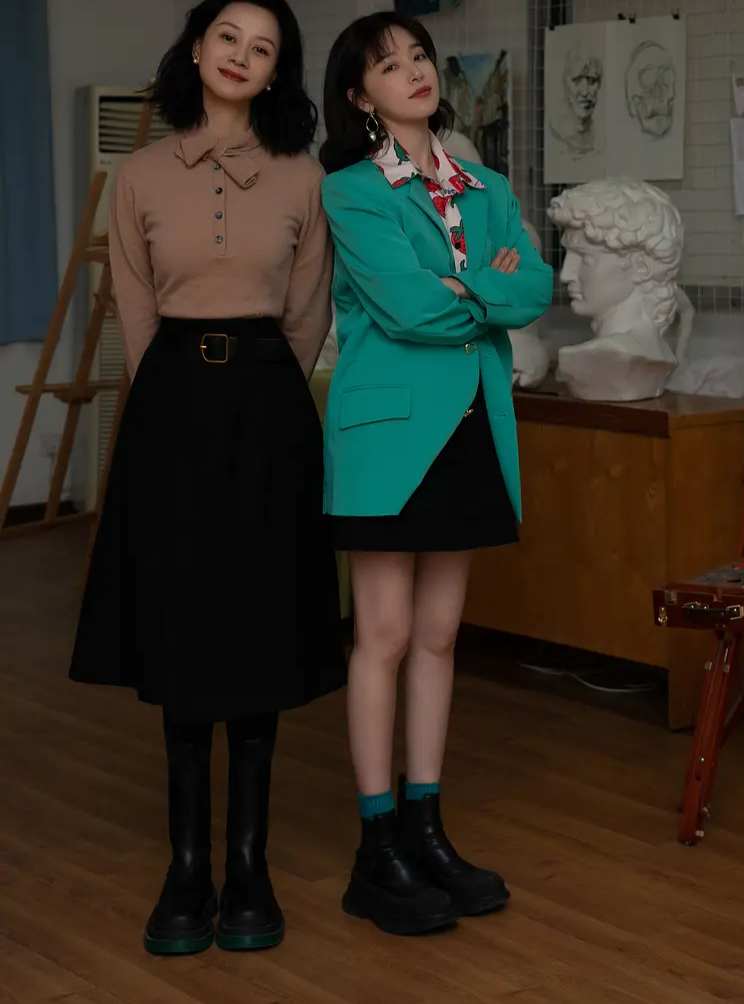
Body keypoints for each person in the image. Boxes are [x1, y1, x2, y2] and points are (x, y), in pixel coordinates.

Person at [68, 0, 347, 955]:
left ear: (276, 72)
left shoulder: (304, 176)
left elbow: (306, 313)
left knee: (257, 618)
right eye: (228, 37)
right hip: (171, 407)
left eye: (262, 48)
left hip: (269, 409)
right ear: (197, 50)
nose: (241, 56)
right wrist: (181, 397)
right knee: (184, 621)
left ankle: (249, 863)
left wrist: (260, 391)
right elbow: (136, 310)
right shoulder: (139, 175)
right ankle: (186, 865)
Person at [319, 12, 553, 936]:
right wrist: (480, 290)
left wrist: (472, 290)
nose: (414, 71)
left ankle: (426, 828)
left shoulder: (486, 188)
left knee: (440, 636)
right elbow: (408, 309)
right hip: (386, 437)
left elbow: (534, 288)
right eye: (389, 66)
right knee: (380, 635)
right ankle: (375, 846)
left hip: (470, 428)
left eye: (418, 55)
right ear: (358, 96)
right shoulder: (350, 191)